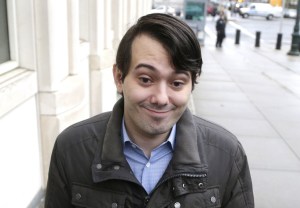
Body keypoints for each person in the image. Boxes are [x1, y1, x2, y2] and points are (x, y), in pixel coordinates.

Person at [45, 13, 254, 208]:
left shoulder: (227, 155)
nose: (161, 98)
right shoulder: (71, 150)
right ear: (119, 77)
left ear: (192, 84)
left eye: (177, 83)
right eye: (145, 79)